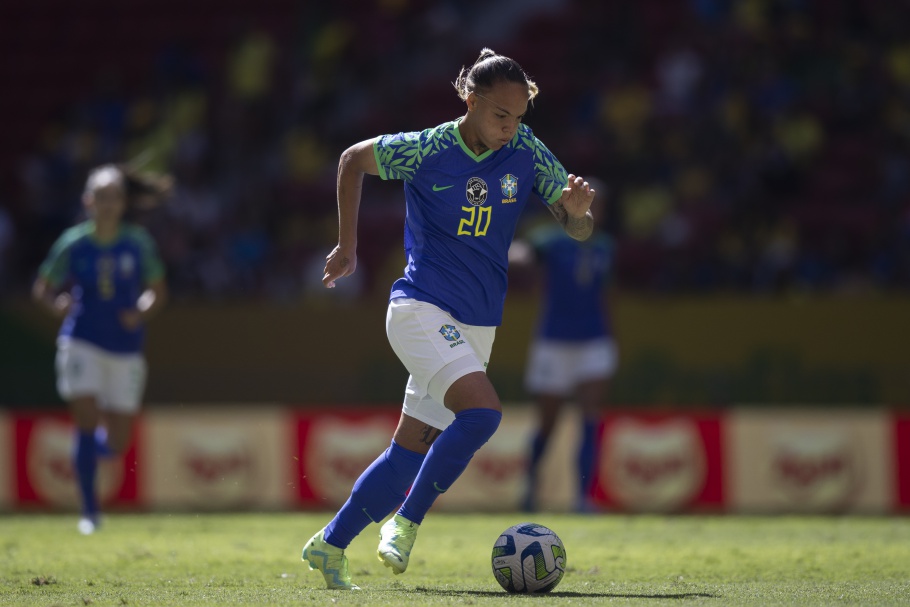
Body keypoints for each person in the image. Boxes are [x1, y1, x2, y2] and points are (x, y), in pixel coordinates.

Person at [301, 47, 596, 590]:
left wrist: (577, 215)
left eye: (518, 117)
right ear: (471, 101)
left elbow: (577, 226)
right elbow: (351, 160)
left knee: (405, 457)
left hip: (477, 326)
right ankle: (406, 522)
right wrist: (347, 245)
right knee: (483, 414)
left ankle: (329, 545)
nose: (509, 128)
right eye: (500, 115)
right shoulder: (427, 149)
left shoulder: (526, 150)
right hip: (420, 308)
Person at [32, 164, 170, 534]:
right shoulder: (73, 243)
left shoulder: (138, 242)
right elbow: (43, 287)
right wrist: (56, 304)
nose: (108, 204)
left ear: (124, 203)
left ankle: (85, 453)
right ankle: (89, 512)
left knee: (118, 442)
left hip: (125, 348)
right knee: (87, 417)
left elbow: (157, 290)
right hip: (81, 340)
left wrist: (140, 311)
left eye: (115, 197)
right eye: (102, 196)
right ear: (88, 201)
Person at [508, 187, 617, 513]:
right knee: (548, 422)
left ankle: (583, 497)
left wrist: (612, 337)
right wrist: (508, 254)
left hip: (594, 339)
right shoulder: (550, 239)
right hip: (554, 339)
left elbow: (605, 293)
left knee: (590, 414)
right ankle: (531, 487)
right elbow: (522, 253)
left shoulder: (605, 246)